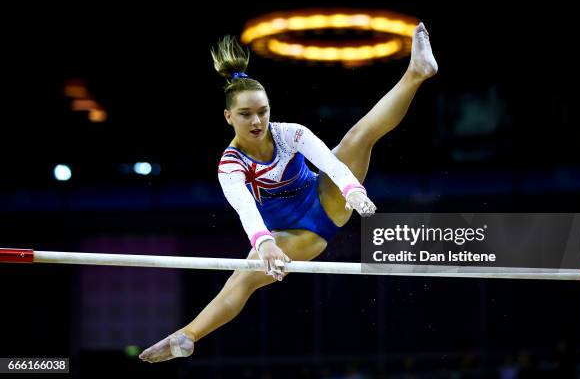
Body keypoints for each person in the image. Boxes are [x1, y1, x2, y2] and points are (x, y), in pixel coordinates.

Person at [139, 22, 438, 363]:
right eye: (245, 114)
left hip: (323, 201)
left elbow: (329, 160)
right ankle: (187, 337)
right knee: (249, 272)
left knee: (356, 137)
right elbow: (245, 210)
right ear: (228, 117)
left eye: (263, 111)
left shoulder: (291, 133)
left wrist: (351, 189)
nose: (257, 121)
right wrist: (264, 243)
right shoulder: (231, 165)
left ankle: (416, 72)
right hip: (298, 233)